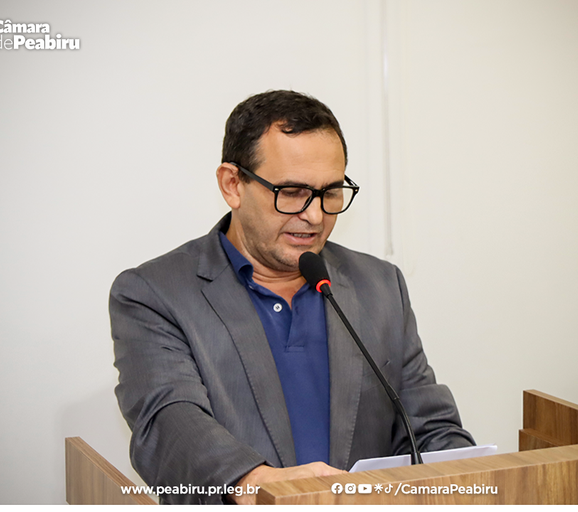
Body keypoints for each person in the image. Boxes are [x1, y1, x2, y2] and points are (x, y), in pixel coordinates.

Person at [110, 90, 475, 505]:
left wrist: (470, 481)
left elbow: (429, 427)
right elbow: (168, 420)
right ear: (233, 185)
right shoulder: (154, 293)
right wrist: (257, 484)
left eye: (330, 191)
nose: (315, 215)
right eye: (292, 191)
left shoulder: (379, 285)